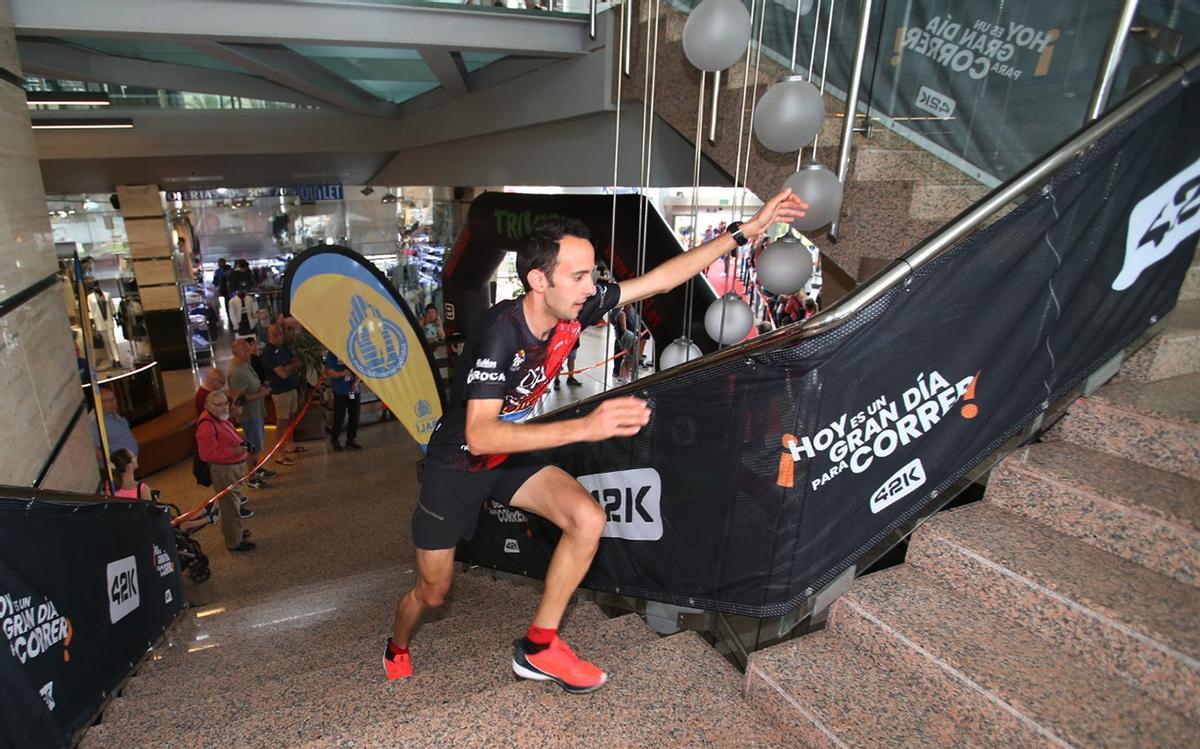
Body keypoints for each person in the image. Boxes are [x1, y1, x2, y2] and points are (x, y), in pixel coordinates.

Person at [384, 190, 807, 688]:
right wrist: (587, 427)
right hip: (457, 466)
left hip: (511, 451)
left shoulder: (574, 308)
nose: (591, 288)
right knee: (433, 593)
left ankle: (539, 646)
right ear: (538, 280)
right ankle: (397, 644)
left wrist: (743, 233)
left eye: (593, 274)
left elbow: (661, 278)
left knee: (588, 518)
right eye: (578, 277)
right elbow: (478, 436)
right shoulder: (500, 332)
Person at [196, 391, 256, 551]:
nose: (224, 408)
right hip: (223, 470)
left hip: (232, 468)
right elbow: (207, 454)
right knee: (230, 506)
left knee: (234, 504)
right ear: (208, 406)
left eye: (225, 403)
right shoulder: (207, 425)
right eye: (219, 405)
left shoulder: (219, 419)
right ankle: (234, 542)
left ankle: (235, 533)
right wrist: (234, 452)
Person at [107, 448, 215, 533]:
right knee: (168, 515)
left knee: (169, 515)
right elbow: (151, 515)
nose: (136, 457)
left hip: (128, 526)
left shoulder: (110, 487)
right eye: (133, 457)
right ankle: (206, 518)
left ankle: (201, 513)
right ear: (129, 466)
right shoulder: (141, 488)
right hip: (147, 527)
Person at [227, 338, 277, 489]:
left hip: (257, 411)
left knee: (258, 444)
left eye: (249, 349)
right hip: (249, 416)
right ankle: (252, 477)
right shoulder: (236, 372)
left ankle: (257, 468)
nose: (250, 352)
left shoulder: (246, 364)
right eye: (246, 350)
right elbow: (239, 399)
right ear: (238, 353)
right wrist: (261, 394)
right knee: (254, 446)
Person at [262, 323, 303, 466]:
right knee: (281, 422)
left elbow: (297, 362)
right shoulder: (268, 353)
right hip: (280, 391)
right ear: (269, 336)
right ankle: (279, 453)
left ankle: (289, 445)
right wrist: (291, 368)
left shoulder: (283, 347)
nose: (279, 337)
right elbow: (282, 374)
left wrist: (289, 367)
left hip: (291, 388)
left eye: (281, 334)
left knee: (291, 418)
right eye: (275, 335)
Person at [90, 387, 139, 466]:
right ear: (98, 403)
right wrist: (111, 466)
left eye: (113, 399)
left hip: (131, 464)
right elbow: (95, 449)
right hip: (120, 468)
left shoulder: (115, 415)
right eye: (107, 401)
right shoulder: (96, 423)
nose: (112, 403)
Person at [324, 352, 361, 450]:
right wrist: (343, 373)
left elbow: (361, 369)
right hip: (340, 392)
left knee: (354, 414)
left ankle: (351, 439)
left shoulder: (353, 351)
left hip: (352, 392)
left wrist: (356, 382)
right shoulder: (332, 354)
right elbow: (330, 372)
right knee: (340, 416)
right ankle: (335, 438)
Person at [213, 258, 232, 330]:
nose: (219, 264)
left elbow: (215, 282)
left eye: (220, 263)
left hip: (226, 291)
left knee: (228, 304)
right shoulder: (220, 271)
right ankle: (230, 317)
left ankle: (230, 317)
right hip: (226, 291)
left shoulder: (221, 271)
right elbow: (215, 282)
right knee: (227, 304)